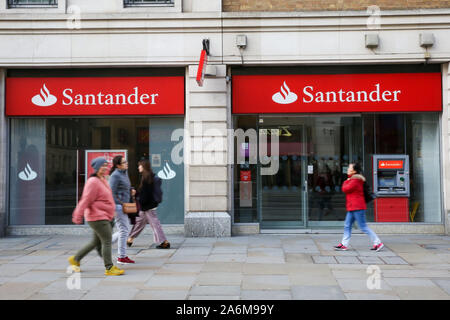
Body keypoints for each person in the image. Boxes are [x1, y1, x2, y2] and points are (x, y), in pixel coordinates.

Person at [68, 157, 125, 276]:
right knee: (107, 241)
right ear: (96, 167)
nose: (105, 167)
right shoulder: (93, 182)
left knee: (95, 242)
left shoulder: (102, 179)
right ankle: (109, 267)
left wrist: (112, 211)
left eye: (106, 165)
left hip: (105, 216)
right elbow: (86, 200)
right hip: (97, 217)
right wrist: (78, 215)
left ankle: (75, 259)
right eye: (102, 166)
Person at [334, 162, 384, 252]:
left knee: (363, 227)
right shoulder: (353, 179)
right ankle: (344, 244)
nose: (348, 169)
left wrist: (346, 181)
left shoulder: (355, 180)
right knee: (347, 225)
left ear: (353, 171)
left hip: (357, 207)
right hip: (352, 207)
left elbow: (345, 188)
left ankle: (378, 242)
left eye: (349, 168)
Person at [127, 159, 170, 249]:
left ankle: (164, 242)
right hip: (147, 205)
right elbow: (145, 193)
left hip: (148, 206)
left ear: (144, 167)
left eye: (140, 166)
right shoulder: (146, 176)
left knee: (155, 224)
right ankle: (130, 238)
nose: (138, 167)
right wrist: (138, 194)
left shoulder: (147, 178)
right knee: (139, 222)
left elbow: (146, 194)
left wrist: (139, 200)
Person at [110, 155, 136, 264]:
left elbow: (126, 187)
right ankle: (121, 256)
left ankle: (105, 242)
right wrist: (118, 204)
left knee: (124, 230)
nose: (127, 163)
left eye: (126, 161)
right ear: (118, 165)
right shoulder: (115, 176)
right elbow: (110, 192)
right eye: (124, 162)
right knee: (124, 230)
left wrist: (131, 190)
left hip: (124, 205)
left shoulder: (125, 173)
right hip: (118, 206)